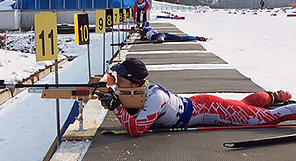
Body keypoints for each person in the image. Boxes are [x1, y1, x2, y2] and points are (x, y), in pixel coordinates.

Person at [98, 58, 295, 137]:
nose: (116, 83)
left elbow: (136, 130)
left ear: (134, 82)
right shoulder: (139, 91)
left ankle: (283, 105)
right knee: (243, 105)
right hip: (200, 104)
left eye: (120, 79)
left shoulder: (154, 97)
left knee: (266, 120)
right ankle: (273, 96)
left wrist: (116, 107)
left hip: (209, 110)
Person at [140, 21, 208, 42]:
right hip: (163, 34)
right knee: (180, 38)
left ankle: (160, 40)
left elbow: (142, 38)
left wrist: (142, 34)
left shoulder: (146, 29)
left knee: (160, 38)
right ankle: (197, 37)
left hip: (157, 35)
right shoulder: (151, 28)